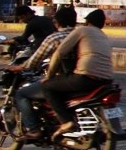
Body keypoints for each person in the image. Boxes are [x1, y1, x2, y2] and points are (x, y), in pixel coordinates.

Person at [6, 5, 78, 140]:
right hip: (80, 77)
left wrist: (20, 67)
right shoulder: (80, 35)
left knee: (21, 94)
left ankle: (34, 130)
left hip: (63, 79)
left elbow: (35, 60)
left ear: (58, 22)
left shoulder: (55, 37)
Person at [42, 9, 114, 138]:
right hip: (106, 80)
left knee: (47, 86)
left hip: (85, 77)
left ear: (87, 22)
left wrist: (49, 76)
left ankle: (66, 121)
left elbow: (59, 53)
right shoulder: (104, 36)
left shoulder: (82, 30)